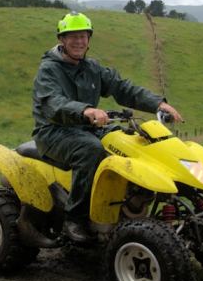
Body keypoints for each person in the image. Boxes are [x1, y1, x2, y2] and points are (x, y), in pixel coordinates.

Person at [31, 12, 183, 243]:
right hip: (53, 131)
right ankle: (76, 218)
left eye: (83, 36)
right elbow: (53, 102)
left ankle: (129, 203)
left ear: (89, 39)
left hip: (87, 128)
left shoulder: (92, 67)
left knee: (131, 142)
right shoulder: (49, 70)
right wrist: (86, 110)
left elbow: (123, 88)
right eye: (72, 36)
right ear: (62, 39)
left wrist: (158, 103)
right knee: (91, 151)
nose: (78, 41)